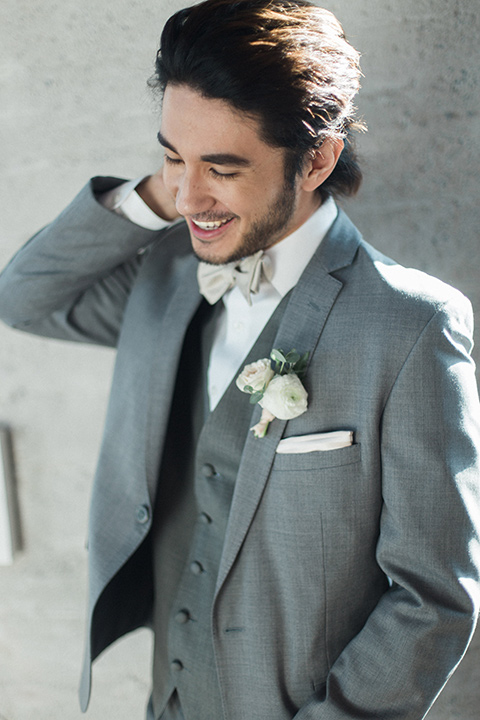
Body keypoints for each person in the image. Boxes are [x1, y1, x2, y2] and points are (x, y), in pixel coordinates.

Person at [0, 0, 479, 718]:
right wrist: (166, 188)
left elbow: (434, 596)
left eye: (221, 167)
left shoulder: (410, 326)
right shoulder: (162, 281)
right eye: (171, 157)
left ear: (316, 157)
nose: (190, 197)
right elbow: (24, 297)